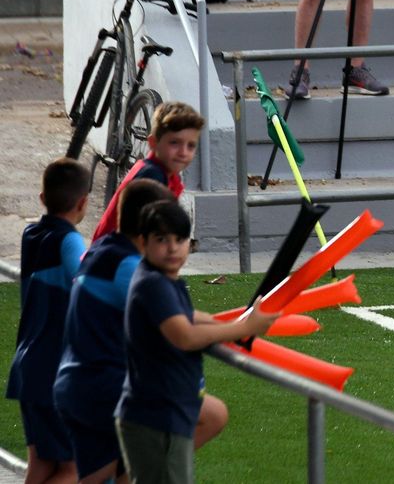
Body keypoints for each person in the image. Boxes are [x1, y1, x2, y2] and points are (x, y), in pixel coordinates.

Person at [116, 202, 277, 484]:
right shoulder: (154, 283)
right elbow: (185, 336)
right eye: (161, 239)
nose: (172, 248)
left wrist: (225, 325)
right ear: (143, 242)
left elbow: (188, 317)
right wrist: (243, 328)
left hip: (162, 412)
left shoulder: (162, 279)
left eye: (179, 240)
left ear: (190, 245)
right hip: (159, 417)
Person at [54, 181, 177, 484]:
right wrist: (242, 326)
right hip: (103, 387)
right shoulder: (131, 268)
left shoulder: (101, 252)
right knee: (208, 415)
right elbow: (178, 327)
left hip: (75, 383)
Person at [7, 159, 90, 484]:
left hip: (27, 367)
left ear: (42, 198)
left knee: (40, 464)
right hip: (55, 370)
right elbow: (85, 279)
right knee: (72, 468)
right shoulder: (69, 241)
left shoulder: (31, 235)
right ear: (83, 203)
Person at [94, 100, 204, 240]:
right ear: (153, 143)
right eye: (174, 143)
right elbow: (148, 236)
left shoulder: (161, 172)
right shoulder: (152, 177)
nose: (183, 152)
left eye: (191, 146)